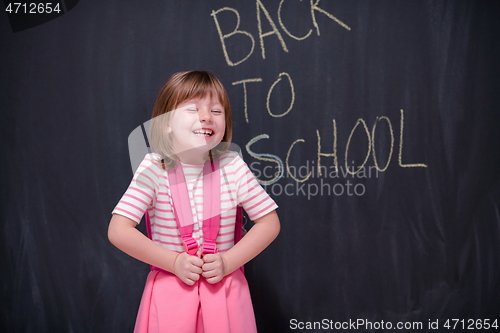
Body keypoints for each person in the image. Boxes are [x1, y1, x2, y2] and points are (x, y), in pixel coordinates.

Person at [108, 70, 280, 333]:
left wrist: (228, 262)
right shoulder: (153, 167)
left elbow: (269, 223)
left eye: (216, 111)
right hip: (170, 293)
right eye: (192, 109)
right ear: (166, 122)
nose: (206, 117)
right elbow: (118, 231)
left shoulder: (232, 166)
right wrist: (173, 262)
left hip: (225, 294)